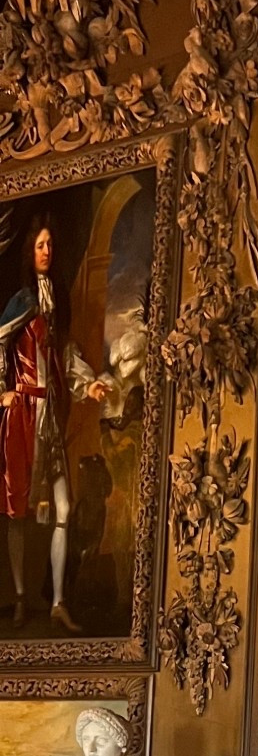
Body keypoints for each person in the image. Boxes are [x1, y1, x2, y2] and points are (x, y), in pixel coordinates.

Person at [0, 214, 111, 633]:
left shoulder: (55, 301)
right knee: (18, 512)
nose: (46, 251)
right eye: (40, 245)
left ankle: (58, 602)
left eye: (50, 245)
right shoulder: (23, 299)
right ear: (30, 252)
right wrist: (2, 390)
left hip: (50, 415)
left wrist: (88, 386)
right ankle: (21, 599)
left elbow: (63, 355)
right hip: (23, 414)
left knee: (63, 506)